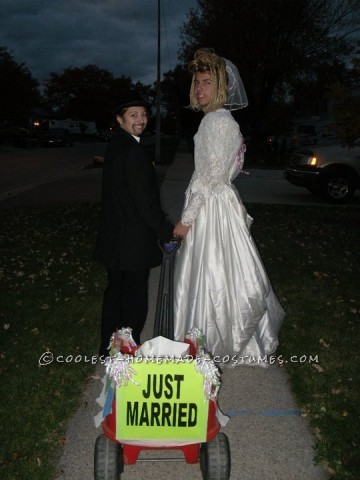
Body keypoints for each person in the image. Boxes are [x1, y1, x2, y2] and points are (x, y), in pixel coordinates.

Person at [173, 49, 285, 366]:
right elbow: (217, 172)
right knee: (219, 270)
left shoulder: (218, 123)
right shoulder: (218, 120)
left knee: (214, 271)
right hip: (215, 199)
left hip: (210, 205)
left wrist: (186, 219)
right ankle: (211, 338)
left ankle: (214, 340)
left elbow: (208, 178)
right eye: (196, 82)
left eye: (207, 82)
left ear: (221, 85)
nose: (199, 89)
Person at [94, 91, 173, 357]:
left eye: (143, 114)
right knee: (133, 301)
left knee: (115, 295)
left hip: (115, 237)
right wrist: (166, 233)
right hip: (131, 240)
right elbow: (145, 202)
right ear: (119, 119)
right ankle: (128, 351)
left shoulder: (117, 146)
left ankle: (109, 348)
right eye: (133, 115)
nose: (140, 119)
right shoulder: (134, 152)